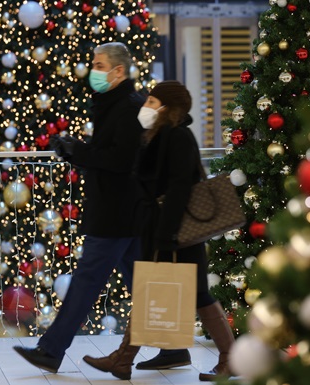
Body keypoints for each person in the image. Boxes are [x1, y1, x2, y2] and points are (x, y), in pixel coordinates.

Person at [12, 42, 190, 378]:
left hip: (117, 212)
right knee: (144, 282)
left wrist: (75, 150)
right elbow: (113, 153)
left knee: (86, 281)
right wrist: (78, 149)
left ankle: (50, 351)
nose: (93, 69)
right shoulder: (116, 104)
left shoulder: (126, 106)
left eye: (99, 64)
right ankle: (173, 347)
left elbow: (120, 161)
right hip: (124, 211)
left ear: (118, 70)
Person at [82, 80, 235, 381]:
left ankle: (229, 358)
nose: (146, 106)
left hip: (176, 232)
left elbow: (179, 188)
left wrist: (167, 235)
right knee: (157, 292)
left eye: (152, 101)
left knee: (195, 295)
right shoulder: (159, 135)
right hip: (163, 229)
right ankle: (123, 360)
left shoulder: (177, 137)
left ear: (167, 108)